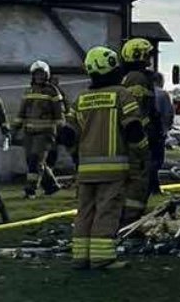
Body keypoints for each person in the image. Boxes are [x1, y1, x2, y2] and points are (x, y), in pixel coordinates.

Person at [62, 46, 149, 270]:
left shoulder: (80, 99)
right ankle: (102, 258)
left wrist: (76, 156)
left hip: (85, 170)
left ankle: (80, 257)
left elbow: (67, 135)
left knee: (85, 212)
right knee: (107, 211)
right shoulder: (122, 95)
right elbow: (134, 130)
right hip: (114, 169)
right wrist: (143, 152)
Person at [118, 38, 158, 225]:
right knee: (138, 182)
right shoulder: (137, 78)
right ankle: (130, 222)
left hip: (134, 137)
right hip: (139, 139)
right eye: (148, 54)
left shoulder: (130, 77)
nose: (150, 58)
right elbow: (137, 111)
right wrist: (149, 132)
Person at [16, 60, 64, 198]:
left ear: (46, 75)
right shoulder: (28, 91)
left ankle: (30, 190)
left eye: (41, 74)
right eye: (36, 74)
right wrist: (14, 129)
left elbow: (59, 112)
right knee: (33, 161)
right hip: (29, 133)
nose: (39, 77)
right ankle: (51, 186)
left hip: (45, 133)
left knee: (35, 160)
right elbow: (21, 112)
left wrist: (60, 129)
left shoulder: (52, 91)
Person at [150, 73, 174, 194]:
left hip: (147, 132)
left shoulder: (147, 93)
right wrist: (166, 129)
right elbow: (169, 114)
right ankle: (154, 187)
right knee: (157, 160)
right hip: (159, 133)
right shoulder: (163, 94)